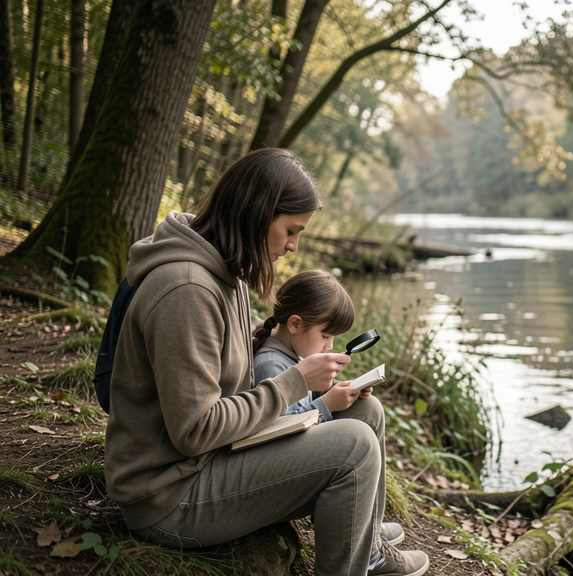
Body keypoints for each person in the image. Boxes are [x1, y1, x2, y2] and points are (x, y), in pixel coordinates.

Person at [104, 148, 429, 576]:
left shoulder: (224, 276)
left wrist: (311, 391)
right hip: (169, 497)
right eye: (291, 230)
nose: (293, 246)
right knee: (354, 445)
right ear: (256, 214)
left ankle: (364, 542)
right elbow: (195, 430)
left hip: (212, 462)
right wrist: (295, 382)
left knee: (366, 412)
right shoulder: (186, 290)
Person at [251, 270, 406, 552]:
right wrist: (327, 404)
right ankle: (366, 551)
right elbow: (281, 430)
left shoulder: (293, 356)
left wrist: (339, 392)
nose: (330, 346)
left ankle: (367, 529)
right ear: (295, 324)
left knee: (368, 407)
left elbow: (300, 404)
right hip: (275, 475)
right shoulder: (271, 365)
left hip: (294, 457)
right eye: (325, 335)